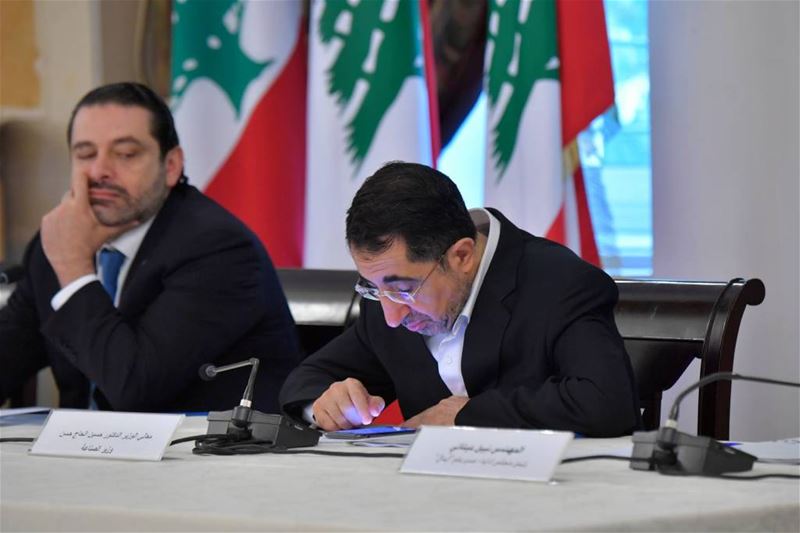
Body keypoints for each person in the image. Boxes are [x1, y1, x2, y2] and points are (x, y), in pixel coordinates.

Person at [280, 162, 640, 437]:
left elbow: (606, 402)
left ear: (462, 256)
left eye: (403, 289)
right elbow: (308, 378)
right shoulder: (388, 296)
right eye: (374, 289)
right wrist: (326, 404)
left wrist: (466, 416)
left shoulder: (558, 283)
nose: (390, 314)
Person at [0, 82, 299, 413]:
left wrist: (73, 267)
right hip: (83, 458)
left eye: (126, 154)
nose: (99, 171)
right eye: (85, 154)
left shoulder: (218, 249)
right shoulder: (56, 243)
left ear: (171, 166)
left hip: (203, 458)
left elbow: (134, 387)